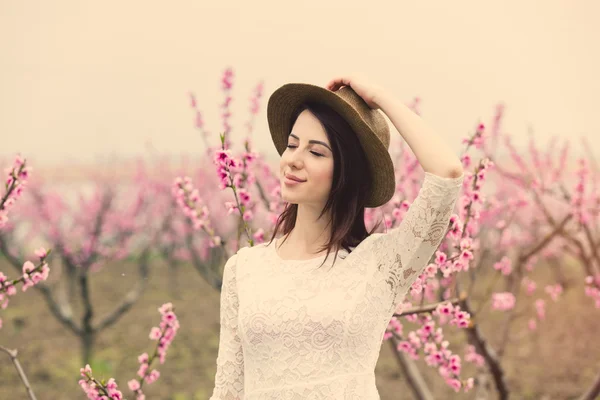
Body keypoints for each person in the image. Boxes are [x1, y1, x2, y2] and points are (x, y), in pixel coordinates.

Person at [209, 75, 465, 399]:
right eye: (292, 144)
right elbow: (227, 390)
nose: (293, 160)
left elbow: (447, 173)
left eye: (316, 152)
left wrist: (381, 96)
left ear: (348, 171)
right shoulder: (243, 269)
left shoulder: (381, 264)